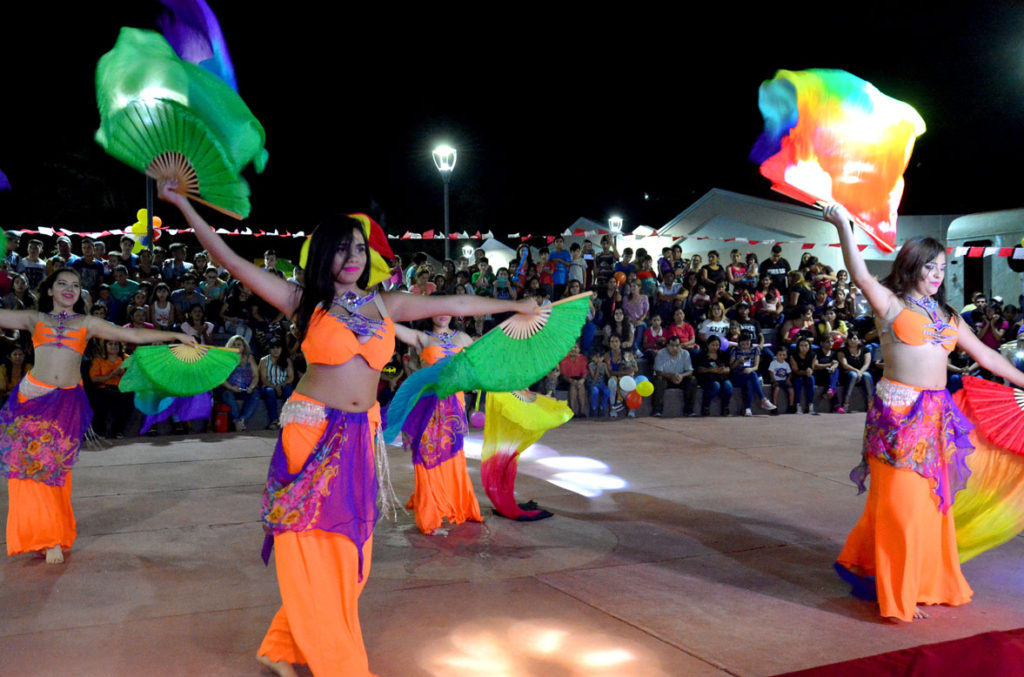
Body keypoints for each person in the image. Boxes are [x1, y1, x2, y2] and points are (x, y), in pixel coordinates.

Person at [159, 181, 534, 677]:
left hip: (360, 435)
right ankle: (336, 662)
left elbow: (458, 303)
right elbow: (229, 259)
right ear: (323, 255)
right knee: (310, 543)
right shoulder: (304, 301)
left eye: (359, 247)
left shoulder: (386, 305)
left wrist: (517, 306)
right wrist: (182, 204)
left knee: (352, 552)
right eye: (341, 248)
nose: (353, 257)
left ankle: (281, 645)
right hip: (310, 430)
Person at [823, 203, 1024, 622]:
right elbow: (860, 275)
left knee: (930, 505)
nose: (937, 275)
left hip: (936, 418)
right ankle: (898, 590)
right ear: (911, 266)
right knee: (900, 505)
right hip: (896, 415)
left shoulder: (948, 315)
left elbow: (987, 356)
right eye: (930, 267)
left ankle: (923, 582)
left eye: (942, 268)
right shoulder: (891, 305)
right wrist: (844, 224)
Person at [0, 268, 194, 564]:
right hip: (31, 398)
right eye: (62, 284)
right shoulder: (34, 318)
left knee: (54, 470)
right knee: (29, 470)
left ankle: (53, 535)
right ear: (50, 290)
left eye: (75, 285)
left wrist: (175, 335)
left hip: (65, 402)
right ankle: (42, 536)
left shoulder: (87, 323)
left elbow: (131, 334)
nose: (69, 289)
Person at [394, 316, 482, 535]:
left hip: (454, 404)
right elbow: (392, 327)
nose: (443, 313)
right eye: (437, 308)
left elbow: (479, 364)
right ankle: (430, 510)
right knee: (425, 454)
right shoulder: (422, 338)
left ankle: (454, 502)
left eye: (447, 309)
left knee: (453, 454)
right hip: (427, 403)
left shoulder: (464, 338)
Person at [651, 336, 697, 417]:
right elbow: (658, 371)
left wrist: (681, 376)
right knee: (658, 380)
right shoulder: (661, 353)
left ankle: (689, 410)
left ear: (680, 345)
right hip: (666, 378)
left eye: (677, 345)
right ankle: (657, 410)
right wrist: (671, 376)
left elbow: (690, 371)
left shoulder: (685, 353)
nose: (674, 348)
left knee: (692, 380)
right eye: (672, 345)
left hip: (680, 378)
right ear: (667, 346)